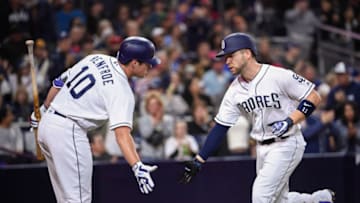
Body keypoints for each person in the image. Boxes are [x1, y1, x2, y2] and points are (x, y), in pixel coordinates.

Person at [179, 33, 335, 203]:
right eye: (225, 57)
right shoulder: (234, 91)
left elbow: (313, 96)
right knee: (278, 201)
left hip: (287, 143)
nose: (227, 61)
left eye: (231, 56)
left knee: (261, 197)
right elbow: (220, 126)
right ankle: (317, 200)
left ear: (247, 53)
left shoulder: (277, 75)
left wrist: (290, 120)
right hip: (261, 149)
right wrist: (199, 159)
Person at [30, 36, 160, 202]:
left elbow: (59, 82)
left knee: (66, 200)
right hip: (68, 132)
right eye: (147, 62)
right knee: (79, 200)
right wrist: (137, 165)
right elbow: (122, 135)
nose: (150, 66)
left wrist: (43, 109)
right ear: (134, 63)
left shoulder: (97, 58)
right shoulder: (122, 91)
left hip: (48, 124)